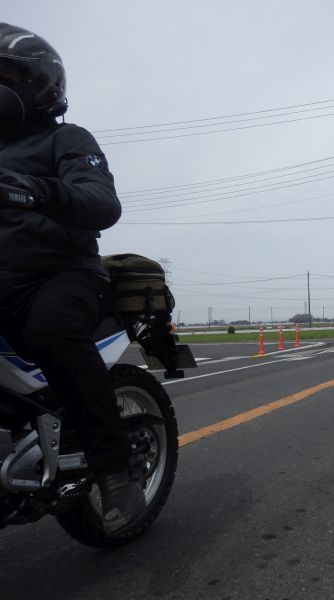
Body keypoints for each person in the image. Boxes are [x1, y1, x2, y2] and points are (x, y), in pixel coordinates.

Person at [0, 23, 145, 532]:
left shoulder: (66, 138)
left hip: (63, 275)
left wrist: (34, 190)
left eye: (4, 75)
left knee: (52, 330)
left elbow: (101, 202)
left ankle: (115, 470)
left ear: (38, 81)